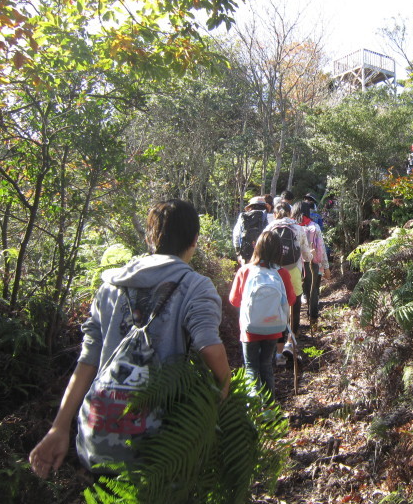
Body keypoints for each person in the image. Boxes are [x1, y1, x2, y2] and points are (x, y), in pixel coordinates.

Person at [29, 199, 230, 479]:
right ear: (195, 240)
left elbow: (87, 360)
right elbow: (209, 347)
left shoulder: (111, 286)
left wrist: (59, 427)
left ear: (150, 238)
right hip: (161, 445)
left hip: (97, 435)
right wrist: (225, 391)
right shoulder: (196, 287)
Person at [228, 231, 296, 399]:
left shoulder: (245, 271)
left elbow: (234, 301)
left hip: (250, 329)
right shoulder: (282, 274)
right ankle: (270, 409)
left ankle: (254, 411)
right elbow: (292, 300)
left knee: (251, 367)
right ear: (279, 251)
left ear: (257, 248)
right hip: (273, 328)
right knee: (266, 365)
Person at [267, 202, 311, 364]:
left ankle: (278, 348)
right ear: (290, 213)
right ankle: (291, 340)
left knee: (278, 306)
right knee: (295, 302)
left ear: (275, 214)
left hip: (274, 271)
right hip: (293, 270)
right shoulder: (298, 228)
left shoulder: (269, 228)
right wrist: (309, 259)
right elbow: (305, 251)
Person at [292, 201, 330, 324]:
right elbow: (321, 248)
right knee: (313, 292)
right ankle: (313, 319)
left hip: (294, 265)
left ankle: (294, 325)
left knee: (296, 293)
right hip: (313, 264)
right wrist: (325, 267)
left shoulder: (291, 227)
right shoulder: (314, 226)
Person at [232, 195, 270, 264]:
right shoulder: (268, 217)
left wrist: (238, 253)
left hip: (246, 255)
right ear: (265, 206)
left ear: (250, 207)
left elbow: (236, 235)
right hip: (264, 256)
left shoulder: (243, 217)